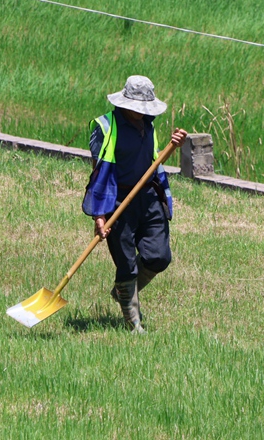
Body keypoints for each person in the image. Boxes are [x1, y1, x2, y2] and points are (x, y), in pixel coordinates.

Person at [82, 75, 187, 333]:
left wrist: (174, 145)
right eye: (137, 107)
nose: (142, 113)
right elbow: (98, 172)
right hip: (117, 200)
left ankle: (124, 292)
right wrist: (99, 215)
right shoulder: (105, 126)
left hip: (148, 196)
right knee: (126, 264)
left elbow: (153, 157)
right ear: (125, 102)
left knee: (159, 256)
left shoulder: (148, 125)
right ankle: (133, 322)